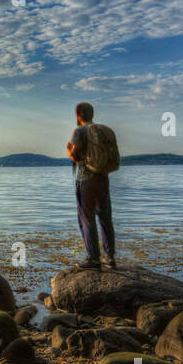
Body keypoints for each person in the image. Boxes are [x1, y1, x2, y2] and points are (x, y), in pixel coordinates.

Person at [65, 102, 118, 270]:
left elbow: (75, 155)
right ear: (92, 114)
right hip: (103, 177)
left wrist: (68, 150)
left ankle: (93, 259)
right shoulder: (104, 130)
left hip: (86, 179)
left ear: (78, 114)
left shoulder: (79, 131)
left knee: (86, 219)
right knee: (105, 218)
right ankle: (109, 258)